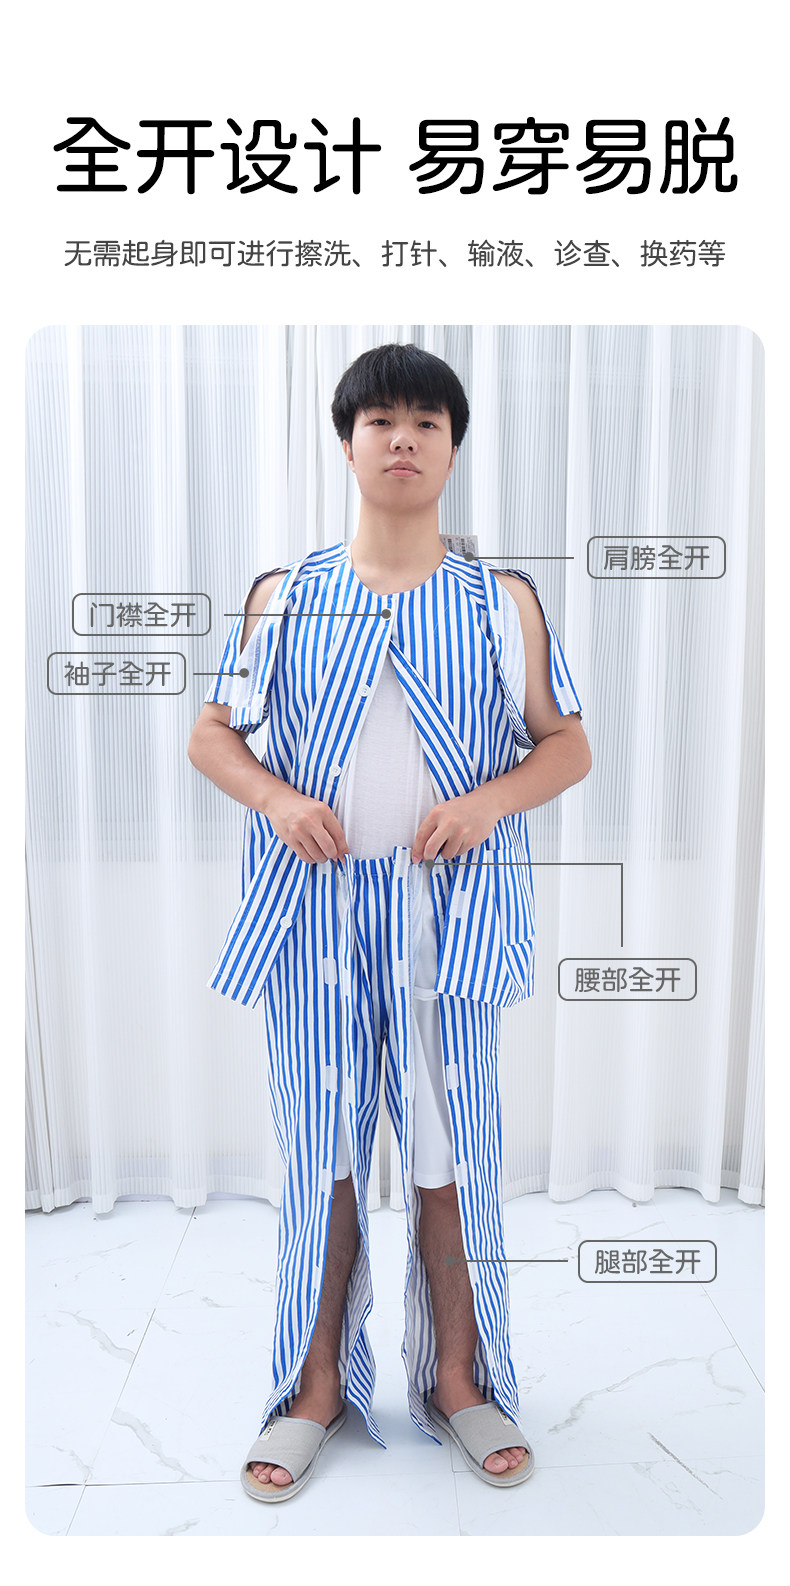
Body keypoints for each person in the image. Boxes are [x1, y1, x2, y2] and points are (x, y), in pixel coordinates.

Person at [187, 343, 591, 1503]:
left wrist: (485, 803)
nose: (403, 437)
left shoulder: (503, 600)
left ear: (452, 448)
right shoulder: (284, 594)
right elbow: (212, 733)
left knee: (450, 1147)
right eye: (380, 419)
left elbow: (566, 743)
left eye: (426, 420)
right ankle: (314, 1383)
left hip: (448, 916)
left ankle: (459, 1375)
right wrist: (276, 798)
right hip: (310, 912)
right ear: (348, 441)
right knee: (320, 1149)